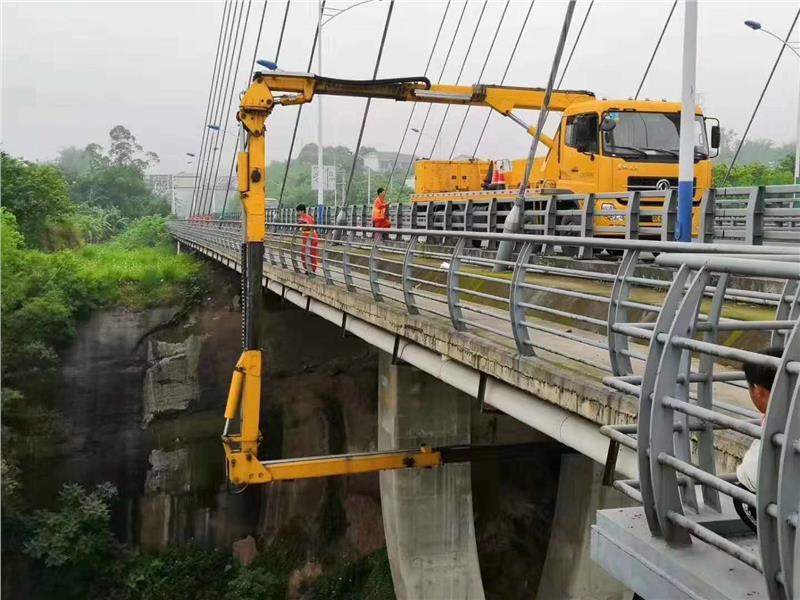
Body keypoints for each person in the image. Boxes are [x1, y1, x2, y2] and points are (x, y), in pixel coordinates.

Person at [733, 346, 784, 531]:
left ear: (758, 390)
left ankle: (778, 546)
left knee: (742, 496)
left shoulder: (775, 422)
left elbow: (753, 475)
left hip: (783, 501)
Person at [295, 204, 319, 273]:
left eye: (298, 211)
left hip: (311, 238)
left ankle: (312, 270)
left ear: (302, 211)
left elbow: (312, 228)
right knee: (303, 254)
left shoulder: (308, 218)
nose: (298, 213)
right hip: (305, 238)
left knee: (311, 254)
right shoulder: (301, 218)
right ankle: (307, 268)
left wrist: (310, 239)